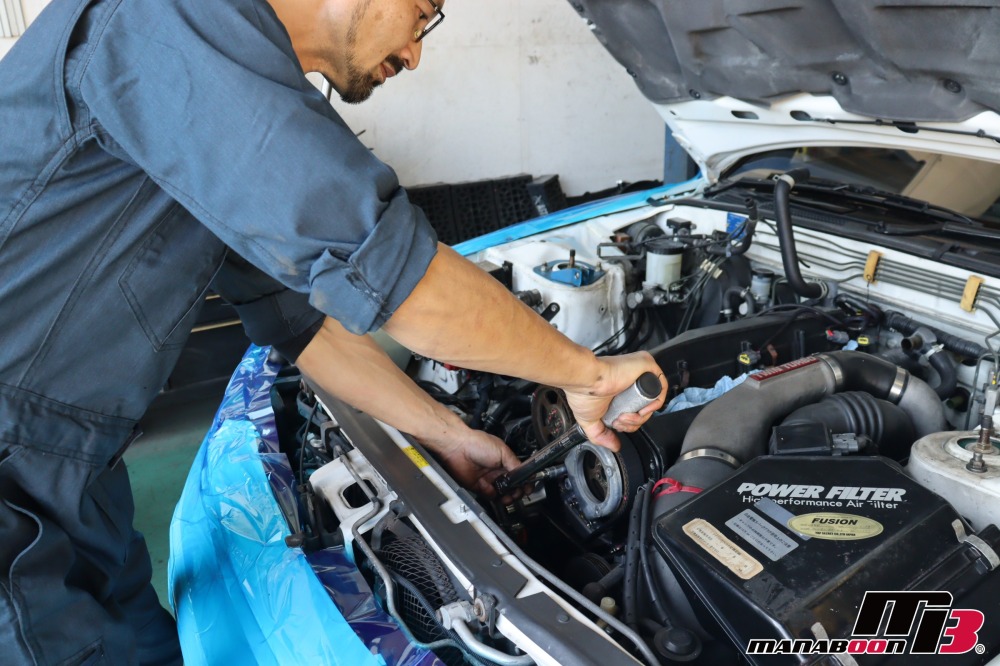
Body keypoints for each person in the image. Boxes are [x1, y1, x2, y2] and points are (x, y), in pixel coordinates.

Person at [0, 0, 667, 663]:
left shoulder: (224, 72)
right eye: (423, 13)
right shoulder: (172, 22)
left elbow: (303, 325)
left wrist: (447, 432)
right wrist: (588, 374)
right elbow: (403, 285)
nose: (415, 53)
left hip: (73, 477)